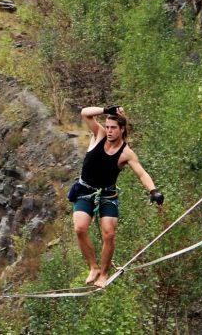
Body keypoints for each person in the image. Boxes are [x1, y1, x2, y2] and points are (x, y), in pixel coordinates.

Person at [70, 105, 163, 288]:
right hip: (85, 191)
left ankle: (103, 274)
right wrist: (108, 109)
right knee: (80, 229)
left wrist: (154, 191)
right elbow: (84, 113)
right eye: (108, 126)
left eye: (114, 128)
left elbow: (142, 173)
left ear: (122, 130)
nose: (110, 131)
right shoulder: (99, 135)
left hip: (107, 195)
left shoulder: (126, 153)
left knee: (109, 233)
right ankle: (94, 267)